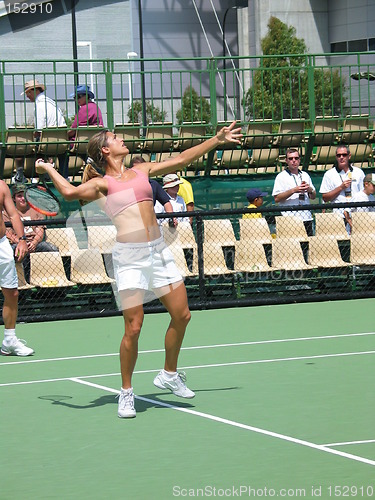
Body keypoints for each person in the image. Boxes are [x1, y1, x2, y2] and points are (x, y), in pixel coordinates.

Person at [35, 121, 242, 419]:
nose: (122, 139)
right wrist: (47, 170)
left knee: (182, 315)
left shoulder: (142, 171)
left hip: (158, 252)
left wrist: (217, 139)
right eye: (115, 138)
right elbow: (68, 192)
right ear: (106, 150)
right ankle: (127, 392)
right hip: (129, 258)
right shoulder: (102, 183)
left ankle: (169, 374)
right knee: (134, 326)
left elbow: (182, 159)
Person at [0, 180, 34, 356]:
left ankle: (9, 340)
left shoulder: (1, 186)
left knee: (12, 293)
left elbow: (13, 215)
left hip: (1, 244)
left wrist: (21, 239)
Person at [3, 184, 58, 281]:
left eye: (24, 195)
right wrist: (21, 243)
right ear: (14, 198)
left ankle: (55, 281)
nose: (23, 198)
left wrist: (33, 243)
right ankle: (23, 282)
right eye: (19, 196)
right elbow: (9, 234)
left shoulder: (36, 210)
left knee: (52, 249)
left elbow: (40, 231)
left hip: (35, 243)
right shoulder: (7, 213)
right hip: (18, 244)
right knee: (15, 252)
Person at [16, 79, 68, 180]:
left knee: (20, 146)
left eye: (28, 93)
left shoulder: (39, 105)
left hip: (47, 143)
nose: (27, 96)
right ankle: (64, 177)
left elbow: (39, 130)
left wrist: (30, 137)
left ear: (35, 91)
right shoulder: (52, 103)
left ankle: (23, 176)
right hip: (61, 142)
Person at [272, 148, 316, 236]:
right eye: (291, 159)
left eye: (296, 158)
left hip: (306, 217)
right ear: (286, 161)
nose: (294, 161)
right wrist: (293, 190)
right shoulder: (281, 176)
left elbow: (313, 196)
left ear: (299, 160)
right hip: (289, 219)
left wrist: (309, 189)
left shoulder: (305, 175)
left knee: (307, 247)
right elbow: (277, 198)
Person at [319, 145, 365, 223]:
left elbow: (363, 194)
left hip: (356, 214)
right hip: (338, 216)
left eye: (344, 155)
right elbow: (325, 198)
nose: (341, 157)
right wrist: (340, 188)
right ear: (336, 157)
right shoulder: (329, 174)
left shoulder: (358, 172)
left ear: (349, 156)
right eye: (338, 155)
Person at [129, 156, 177, 227]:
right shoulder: (126, 184)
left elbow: (166, 202)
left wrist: (172, 218)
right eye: (136, 169)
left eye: (140, 169)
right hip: (131, 223)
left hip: (150, 224)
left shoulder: (153, 184)